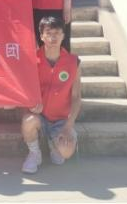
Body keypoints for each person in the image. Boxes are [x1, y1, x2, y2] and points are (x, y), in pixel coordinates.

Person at [21, 16, 81, 174]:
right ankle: (35, 154)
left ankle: (54, 144)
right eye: (48, 33)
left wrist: (68, 126)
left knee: (65, 153)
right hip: (39, 116)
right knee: (28, 122)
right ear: (41, 36)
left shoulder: (74, 62)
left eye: (57, 33)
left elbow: (76, 97)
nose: (53, 38)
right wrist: (31, 105)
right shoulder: (32, 59)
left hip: (60, 120)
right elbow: (25, 90)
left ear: (63, 36)